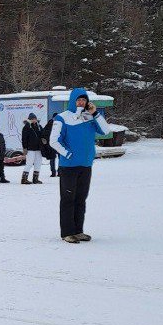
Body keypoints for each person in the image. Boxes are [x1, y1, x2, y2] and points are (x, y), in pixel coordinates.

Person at [49, 87, 110, 243]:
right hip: (69, 166)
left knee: (81, 199)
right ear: (73, 100)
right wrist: (68, 154)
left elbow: (105, 131)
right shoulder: (62, 118)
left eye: (84, 100)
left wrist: (95, 113)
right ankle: (67, 232)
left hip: (85, 165)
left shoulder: (90, 117)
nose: (81, 102)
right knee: (68, 199)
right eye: (79, 100)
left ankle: (78, 230)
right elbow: (54, 141)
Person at [20, 113, 45, 184]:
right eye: (32, 119)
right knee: (29, 163)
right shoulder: (26, 127)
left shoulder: (39, 126)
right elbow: (24, 139)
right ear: (29, 119)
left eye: (35, 119)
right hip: (30, 148)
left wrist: (44, 139)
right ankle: (24, 179)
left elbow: (43, 134)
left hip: (38, 148)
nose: (34, 120)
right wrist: (25, 148)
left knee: (38, 163)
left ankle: (35, 179)